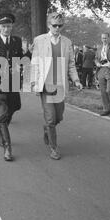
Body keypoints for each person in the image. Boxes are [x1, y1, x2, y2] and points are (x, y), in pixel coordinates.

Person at [31, 12, 83, 160]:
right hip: (46, 85)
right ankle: (54, 148)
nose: (57, 28)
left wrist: (76, 80)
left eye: (60, 25)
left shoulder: (67, 42)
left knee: (58, 117)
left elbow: (71, 64)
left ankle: (47, 129)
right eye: (54, 25)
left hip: (60, 86)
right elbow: (34, 62)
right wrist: (33, 82)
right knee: (50, 118)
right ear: (49, 25)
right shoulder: (39, 40)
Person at [0, 13, 23, 161]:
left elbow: (20, 59)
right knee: (1, 115)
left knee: (15, 107)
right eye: (4, 26)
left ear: (12, 26)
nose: (6, 29)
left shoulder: (17, 41)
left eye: (9, 26)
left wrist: (29, 53)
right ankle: (7, 147)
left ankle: (2, 133)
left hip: (13, 82)